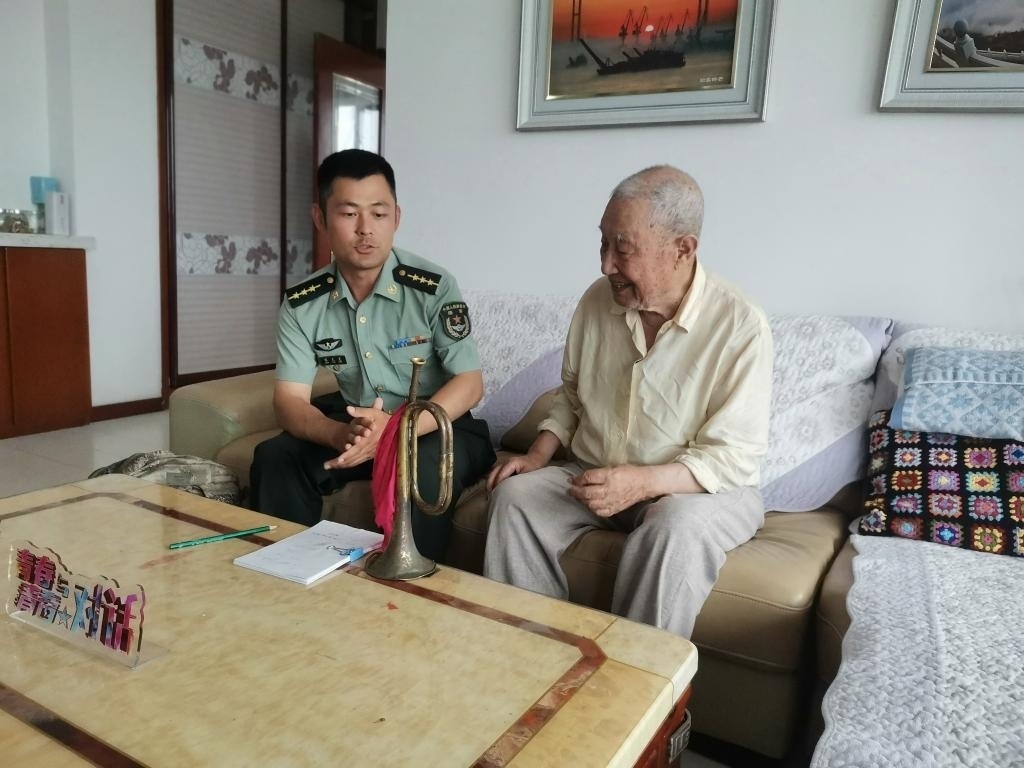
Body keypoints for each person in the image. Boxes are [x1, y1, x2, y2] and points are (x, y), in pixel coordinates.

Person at [483, 165, 772, 638]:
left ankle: (636, 675)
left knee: (673, 528)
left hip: (701, 491)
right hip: (596, 474)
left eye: (622, 248)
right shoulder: (597, 301)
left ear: (683, 249)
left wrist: (641, 483)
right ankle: (533, 656)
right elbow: (572, 397)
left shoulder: (740, 325)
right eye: (602, 244)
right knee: (515, 499)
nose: (606, 265)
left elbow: (731, 457)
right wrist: (536, 455)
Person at [250, 149, 495, 561]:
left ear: (396, 218)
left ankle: (410, 586)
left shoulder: (432, 287)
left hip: (435, 426)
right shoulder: (302, 303)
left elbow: (469, 384)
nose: (365, 229)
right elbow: (289, 400)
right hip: (357, 425)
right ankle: (289, 575)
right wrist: (339, 435)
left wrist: (395, 432)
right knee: (276, 456)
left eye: (379, 214)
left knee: (420, 467)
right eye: (349, 214)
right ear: (320, 218)